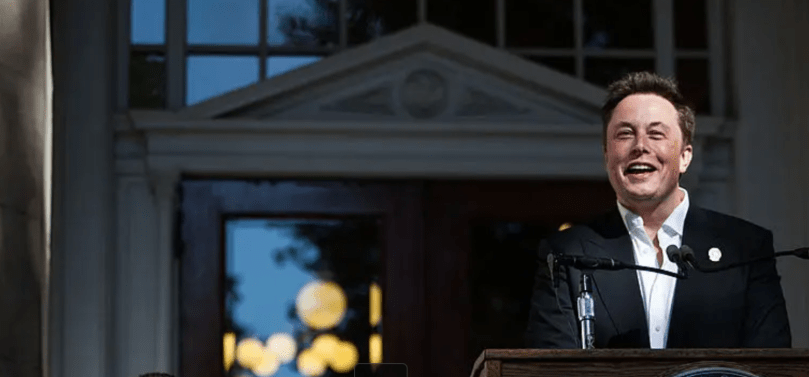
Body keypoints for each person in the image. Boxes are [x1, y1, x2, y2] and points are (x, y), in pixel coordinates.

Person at [524, 72, 791, 349]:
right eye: (625, 134)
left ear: (685, 156)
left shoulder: (747, 249)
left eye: (656, 134)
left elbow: (771, 360)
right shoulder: (566, 254)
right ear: (606, 156)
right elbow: (552, 362)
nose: (640, 146)